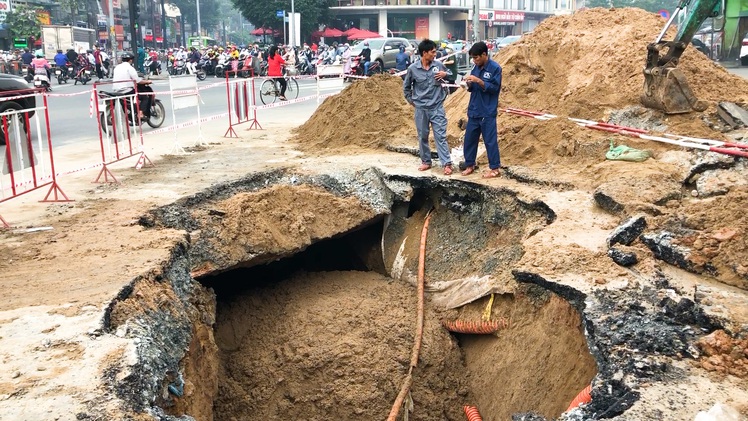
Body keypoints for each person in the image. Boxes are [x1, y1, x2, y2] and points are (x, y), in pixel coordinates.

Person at [403, 39, 453, 175]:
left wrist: (445, 74)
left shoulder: (438, 66)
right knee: (422, 136)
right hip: (421, 109)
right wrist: (412, 102)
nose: (435, 54)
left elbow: (452, 75)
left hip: (437, 107)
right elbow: (406, 88)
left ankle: (446, 163)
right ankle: (426, 161)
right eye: (432, 52)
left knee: (440, 136)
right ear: (424, 53)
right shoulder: (413, 69)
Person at [460, 41, 502, 178]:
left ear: (484, 54)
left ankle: (495, 168)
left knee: (490, 140)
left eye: (476, 57)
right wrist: (468, 84)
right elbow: (473, 88)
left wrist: (478, 81)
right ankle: (470, 164)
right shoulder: (476, 68)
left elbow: (494, 88)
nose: (475, 60)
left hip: (487, 110)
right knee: (470, 139)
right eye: (473, 58)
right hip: (474, 109)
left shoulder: (495, 69)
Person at [112, 52, 154, 121]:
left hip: (116, 90)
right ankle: (140, 114)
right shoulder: (130, 68)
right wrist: (147, 81)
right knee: (144, 97)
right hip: (126, 90)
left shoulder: (117, 67)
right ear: (131, 60)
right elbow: (137, 81)